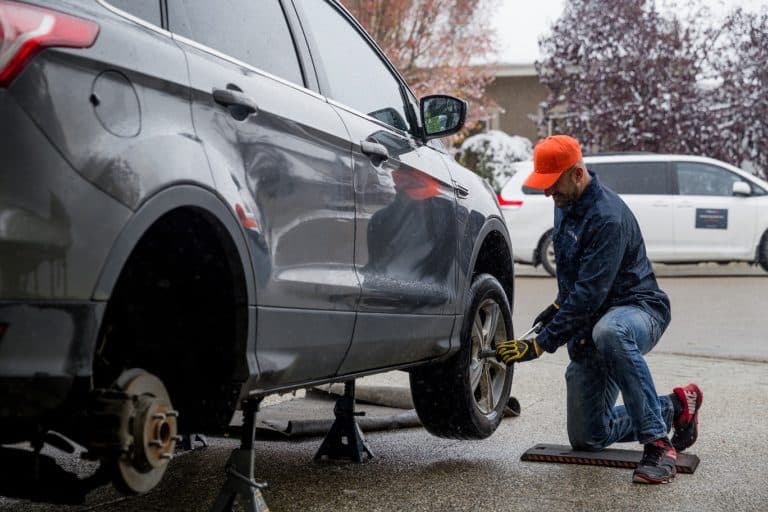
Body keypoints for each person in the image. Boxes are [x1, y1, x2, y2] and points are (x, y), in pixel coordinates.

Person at [495, 135, 703, 484]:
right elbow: (577, 282)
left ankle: (657, 445)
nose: (548, 193)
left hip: (637, 310)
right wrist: (557, 307)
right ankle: (677, 407)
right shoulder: (565, 205)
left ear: (577, 173)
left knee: (610, 331)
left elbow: (591, 294)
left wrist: (542, 342)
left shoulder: (608, 217)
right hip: (592, 321)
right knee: (588, 437)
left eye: (553, 184)